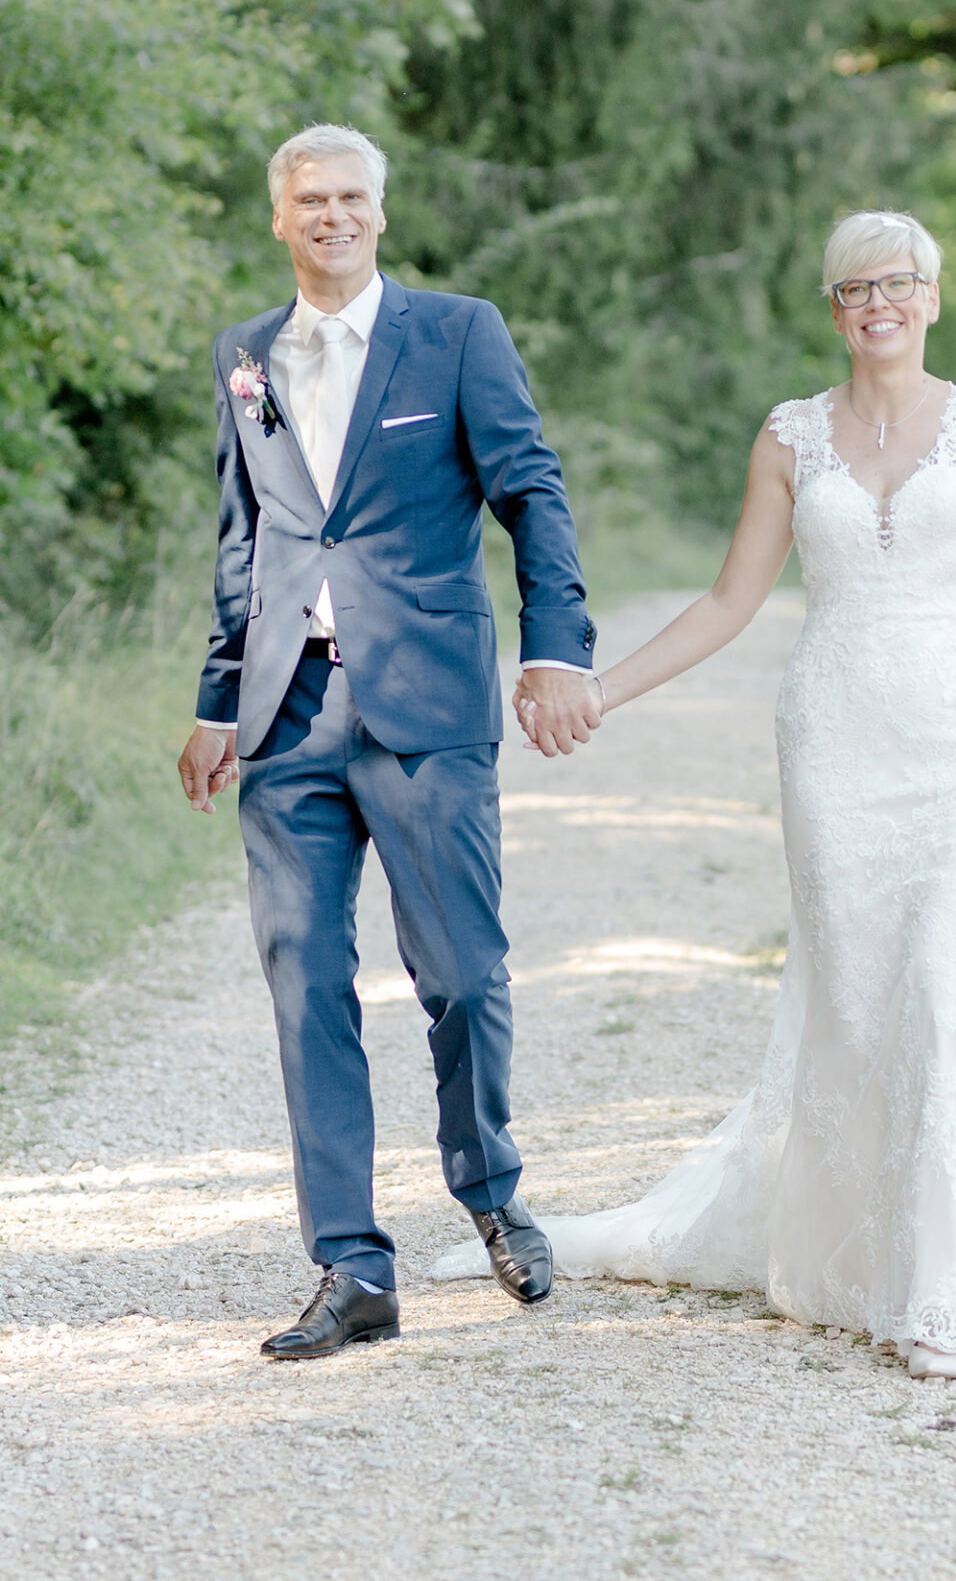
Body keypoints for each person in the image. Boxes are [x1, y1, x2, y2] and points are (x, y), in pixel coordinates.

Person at [438, 208, 956, 1376]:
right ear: (835, 309)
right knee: (854, 1008)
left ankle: (952, 1291)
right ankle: (858, 1261)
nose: (879, 302)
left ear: (934, 298)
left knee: (952, 987)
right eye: (856, 288)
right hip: (835, 741)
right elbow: (728, 601)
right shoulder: (791, 437)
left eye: (900, 283)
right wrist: (601, 688)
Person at [177, 124, 603, 1358]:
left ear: (381, 210)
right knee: (306, 987)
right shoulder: (245, 354)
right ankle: (352, 1267)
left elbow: (533, 492)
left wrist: (556, 648)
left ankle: (491, 1195)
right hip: (287, 715)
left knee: (463, 976)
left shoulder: (458, 333)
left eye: (353, 197)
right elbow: (243, 540)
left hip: (425, 702)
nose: (333, 216)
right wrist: (217, 703)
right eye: (310, 200)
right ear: (280, 217)